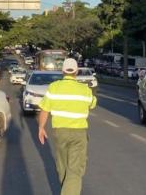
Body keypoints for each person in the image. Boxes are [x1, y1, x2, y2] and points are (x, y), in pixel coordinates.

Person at [37, 58, 96, 195]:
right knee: (74, 170)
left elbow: (45, 109)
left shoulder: (54, 87)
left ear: (63, 71)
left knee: (62, 168)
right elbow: (92, 103)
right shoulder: (84, 89)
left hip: (60, 133)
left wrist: (41, 127)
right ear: (76, 72)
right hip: (78, 134)